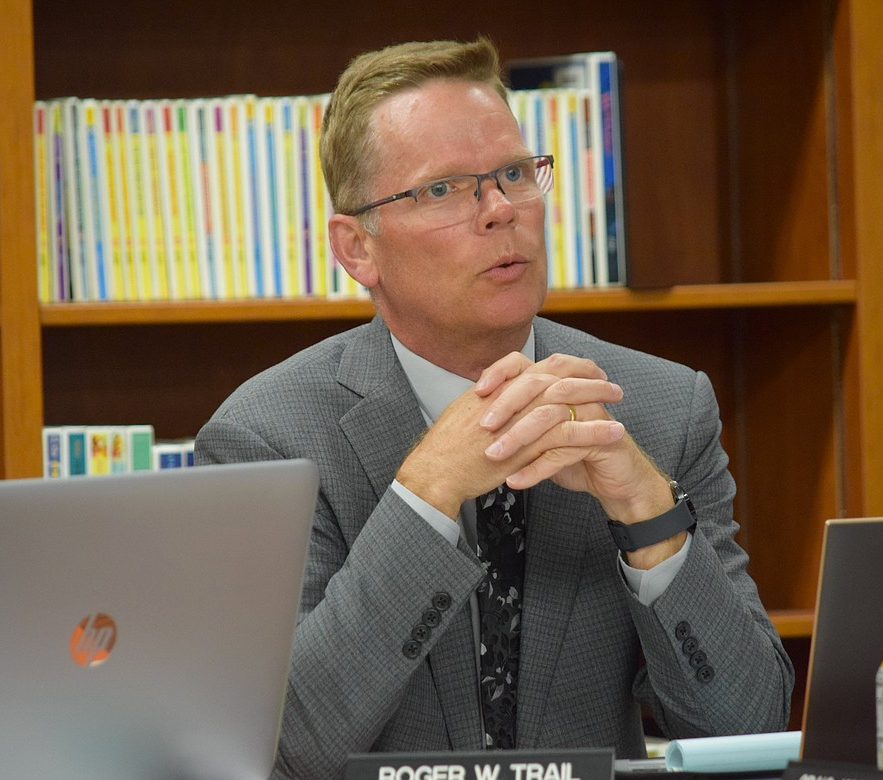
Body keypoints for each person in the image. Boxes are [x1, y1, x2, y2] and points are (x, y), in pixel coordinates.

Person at [196, 36, 793, 780]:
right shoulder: (269, 437)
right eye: (445, 188)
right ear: (357, 250)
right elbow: (289, 745)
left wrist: (648, 512)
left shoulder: (662, 408)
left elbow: (749, 726)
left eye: (514, 173)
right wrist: (425, 496)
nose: (501, 210)